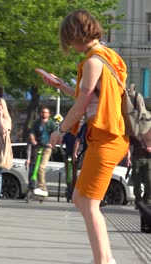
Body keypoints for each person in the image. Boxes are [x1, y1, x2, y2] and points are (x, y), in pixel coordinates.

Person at [44, 10, 128, 264]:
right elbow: (91, 98)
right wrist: (63, 87)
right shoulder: (108, 56)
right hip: (111, 137)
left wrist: (59, 131)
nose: (68, 45)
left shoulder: (93, 61)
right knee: (83, 199)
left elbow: (82, 106)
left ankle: (104, 261)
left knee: (88, 202)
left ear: (75, 35)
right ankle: (104, 260)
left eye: (68, 39)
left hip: (107, 138)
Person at [25, 106, 56, 198]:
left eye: (46, 112)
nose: (44, 114)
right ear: (40, 113)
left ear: (49, 114)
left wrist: (52, 143)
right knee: (35, 167)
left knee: (41, 167)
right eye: (43, 112)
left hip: (47, 147)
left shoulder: (51, 124)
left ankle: (42, 188)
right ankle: (37, 188)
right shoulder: (37, 123)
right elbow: (32, 133)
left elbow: (55, 134)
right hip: (38, 147)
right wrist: (33, 140)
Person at [128, 135, 151, 207]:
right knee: (136, 182)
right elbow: (127, 145)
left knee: (149, 181)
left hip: (149, 159)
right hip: (136, 159)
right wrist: (128, 158)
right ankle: (138, 201)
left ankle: (147, 200)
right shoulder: (134, 131)